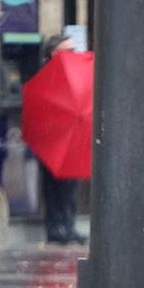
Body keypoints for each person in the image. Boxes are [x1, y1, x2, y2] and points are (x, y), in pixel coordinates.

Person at [36, 34, 86, 245]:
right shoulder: (46, 74)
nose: (75, 54)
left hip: (71, 137)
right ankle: (56, 226)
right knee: (54, 187)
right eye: (70, 50)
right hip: (52, 139)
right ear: (55, 53)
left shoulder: (75, 74)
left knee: (70, 186)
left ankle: (69, 224)